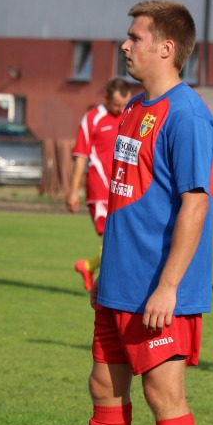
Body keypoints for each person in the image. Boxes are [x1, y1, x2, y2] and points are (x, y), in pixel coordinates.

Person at [24, 0, 213, 425]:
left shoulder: (187, 115)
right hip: (119, 285)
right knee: (104, 387)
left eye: (135, 37)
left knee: (164, 396)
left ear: (166, 47)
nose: (125, 45)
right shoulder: (133, 107)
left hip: (159, 290)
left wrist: (169, 286)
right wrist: (106, 278)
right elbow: (127, 200)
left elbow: (195, 204)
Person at [67, 77, 134, 292]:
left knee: (122, 239)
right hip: (100, 189)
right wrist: (73, 192)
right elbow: (80, 157)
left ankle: (88, 267)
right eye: (116, 105)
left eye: (124, 104)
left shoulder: (130, 116)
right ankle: (111, 289)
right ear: (106, 98)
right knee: (114, 237)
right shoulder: (92, 119)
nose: (121, 109)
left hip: (124, 189)